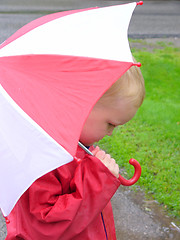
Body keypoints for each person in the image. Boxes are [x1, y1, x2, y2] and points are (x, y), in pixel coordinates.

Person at [5, 63, 145, 240]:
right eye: (110, 124)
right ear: (82, 106)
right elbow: (46, 228)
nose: (110, 133)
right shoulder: (43, 157)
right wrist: (96, 180)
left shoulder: (79, 145)